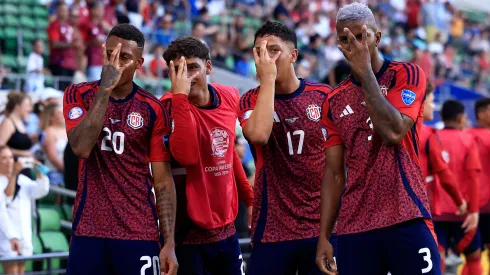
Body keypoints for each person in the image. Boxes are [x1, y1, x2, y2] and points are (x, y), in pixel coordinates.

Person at [316, 3, 441, 274]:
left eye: (362, 37)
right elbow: (334, 174)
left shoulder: (406, 74)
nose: (355, 45)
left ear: (378, 37)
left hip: (406, 214)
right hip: (355, 226)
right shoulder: (334, 100)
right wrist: (324, 235)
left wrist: (365, 74)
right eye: (345, 39)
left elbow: (394, 132)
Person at [63, 23, 178, 275]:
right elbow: (81, 147)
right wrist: (105, 89)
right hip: (89, 229)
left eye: (124, 57)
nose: (114, 63)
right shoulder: (78, 94)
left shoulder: (152, 108)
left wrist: (168, 242)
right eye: (110, 55)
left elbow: (162, 180)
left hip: (139, 231)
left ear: (139, 63)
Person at [237, 21, 333, 275]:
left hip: (320, 228)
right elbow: (258, 135)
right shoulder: (249, 99)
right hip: (272, 229)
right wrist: (268, 80)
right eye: (259, 51)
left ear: (293, 55)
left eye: (273, 50)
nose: (265, 58)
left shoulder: (323, 96)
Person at [160, 37, 253, 275]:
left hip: (226, 226)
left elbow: (230, 151)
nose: (186, 76)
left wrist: (250, 199)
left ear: (208, 67)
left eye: (192, 67)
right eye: (178, 70)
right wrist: (179, 97)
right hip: (188, 231)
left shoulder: (230, 95)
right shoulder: (168, 106)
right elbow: (188, 156)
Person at [436, 100, 483, 274]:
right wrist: (474, 211)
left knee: (436, 258)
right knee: (474, 257)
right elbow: (473, 177)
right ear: (461, 117)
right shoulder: (468, 139)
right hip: (462, 212)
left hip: (436, 211)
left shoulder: (432, 137)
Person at [418, 82, 467, 217]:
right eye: (432, 101)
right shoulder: (427, 134)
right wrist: (460, 201)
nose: (434, 106)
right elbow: (443, 172)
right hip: (418, 206)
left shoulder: (387, 130)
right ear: (421, 101)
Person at [0, 146, 50, 274]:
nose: (9, 161)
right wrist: (12, 237)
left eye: (10, 157)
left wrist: (40, 173)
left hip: (24, 234)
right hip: (6, 236)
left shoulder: (22, 180)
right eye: (4, 158)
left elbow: (40, 190)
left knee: (22, 272)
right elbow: (6, 200)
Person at [467, 97, 490, 270]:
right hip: (479, 205)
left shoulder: (465, 135)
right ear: (481, 113)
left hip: (470, 204)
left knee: (472, 255)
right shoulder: (468, 136)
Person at [40, 103, 68, 186]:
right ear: (51, 117)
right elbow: (52, 157)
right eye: (59, 113)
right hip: (55, 173)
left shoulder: (67, 130)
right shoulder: (49, 132)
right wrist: (67, 170)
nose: (63, 114)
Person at [0, 93, 34, 159]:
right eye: (27, 105)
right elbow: (1, 146)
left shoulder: (20, 122)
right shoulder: (8, 122)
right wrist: (22, 153)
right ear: (17, 106)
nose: (30, 109)